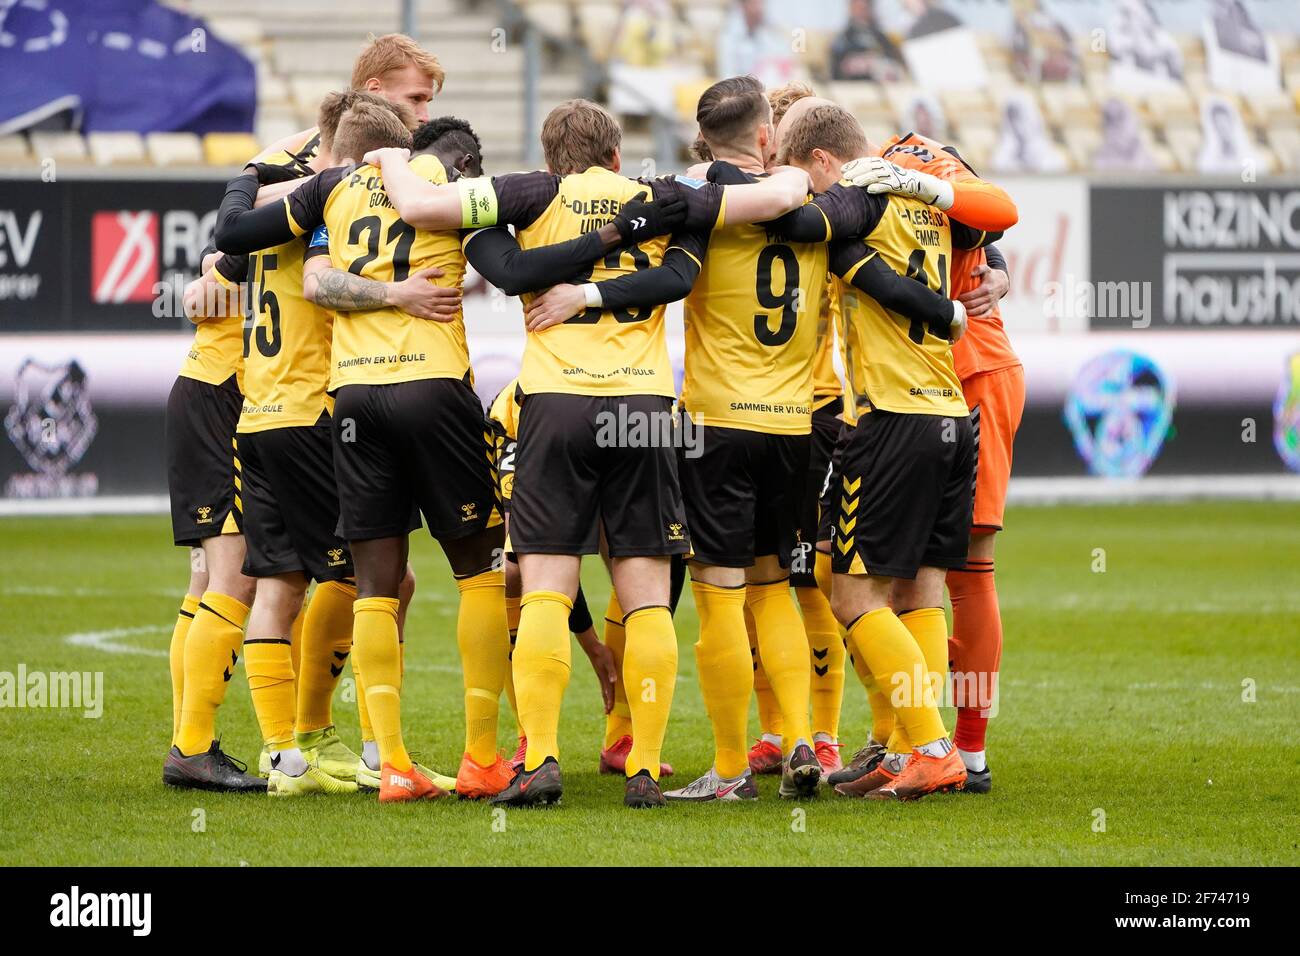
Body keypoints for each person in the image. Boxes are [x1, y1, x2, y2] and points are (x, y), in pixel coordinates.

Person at [364, 97, 813, 808]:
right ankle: (645, 765)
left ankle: (539, 759)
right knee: (645, 601)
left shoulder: (526, 192)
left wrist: (387, 158)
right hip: (644, 409)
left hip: (555, 406)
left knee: (544, 585)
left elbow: (449, 227)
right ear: (614, 155)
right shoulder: (666, 195)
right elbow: (692, 268)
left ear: (550, 159)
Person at [769, 97, 1002, 801]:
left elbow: (798, 221)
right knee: (921, 590)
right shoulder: (926, 205)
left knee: (851, 595)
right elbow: (987, 231)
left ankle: (931, 746)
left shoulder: (858, 195)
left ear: (821, 161)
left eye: (799, 172)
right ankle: (909, 753)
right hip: (950, 417)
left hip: (891, 420)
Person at [831, 0, 904, 82]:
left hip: (885, 84)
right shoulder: (844, 38)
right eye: (859, 6)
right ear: (851, 8)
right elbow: (837, 69)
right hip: (858, 85)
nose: (863, 9)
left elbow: (892, 58)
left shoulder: (880, 36)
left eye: (866, 5)